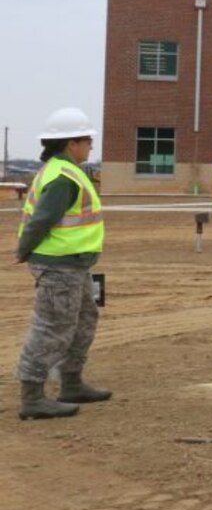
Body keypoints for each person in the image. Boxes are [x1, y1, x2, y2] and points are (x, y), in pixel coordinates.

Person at [13, 107, 110, 420]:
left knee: (84, 319)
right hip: (58, 265)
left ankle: (71, 382)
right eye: (87, 140)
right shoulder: (63, 178)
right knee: (52, 327)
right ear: (72, 143)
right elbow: (40, 222)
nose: (91, 146)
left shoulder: (64, 171)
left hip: (73, 265)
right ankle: (32, 396)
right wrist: (24, 251)